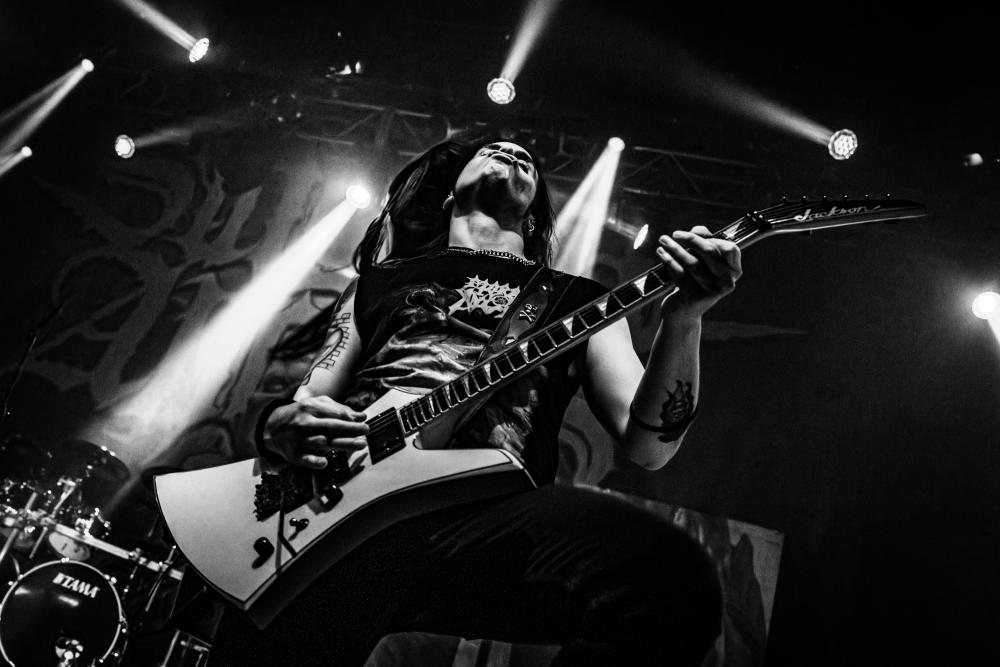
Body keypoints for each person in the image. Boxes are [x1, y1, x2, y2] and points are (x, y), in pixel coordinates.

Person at [208, 133, 743, 666]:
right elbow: (311, 398)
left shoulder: (579, 301)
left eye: (527, 159)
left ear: (533, 217)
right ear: (450, 194)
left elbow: (649, 446)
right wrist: (276, 425)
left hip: (481, 524)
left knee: (668, 578)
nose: (512, 149)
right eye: (490, 148)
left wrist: (684, 319)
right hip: (340, 514)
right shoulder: (378, 283)